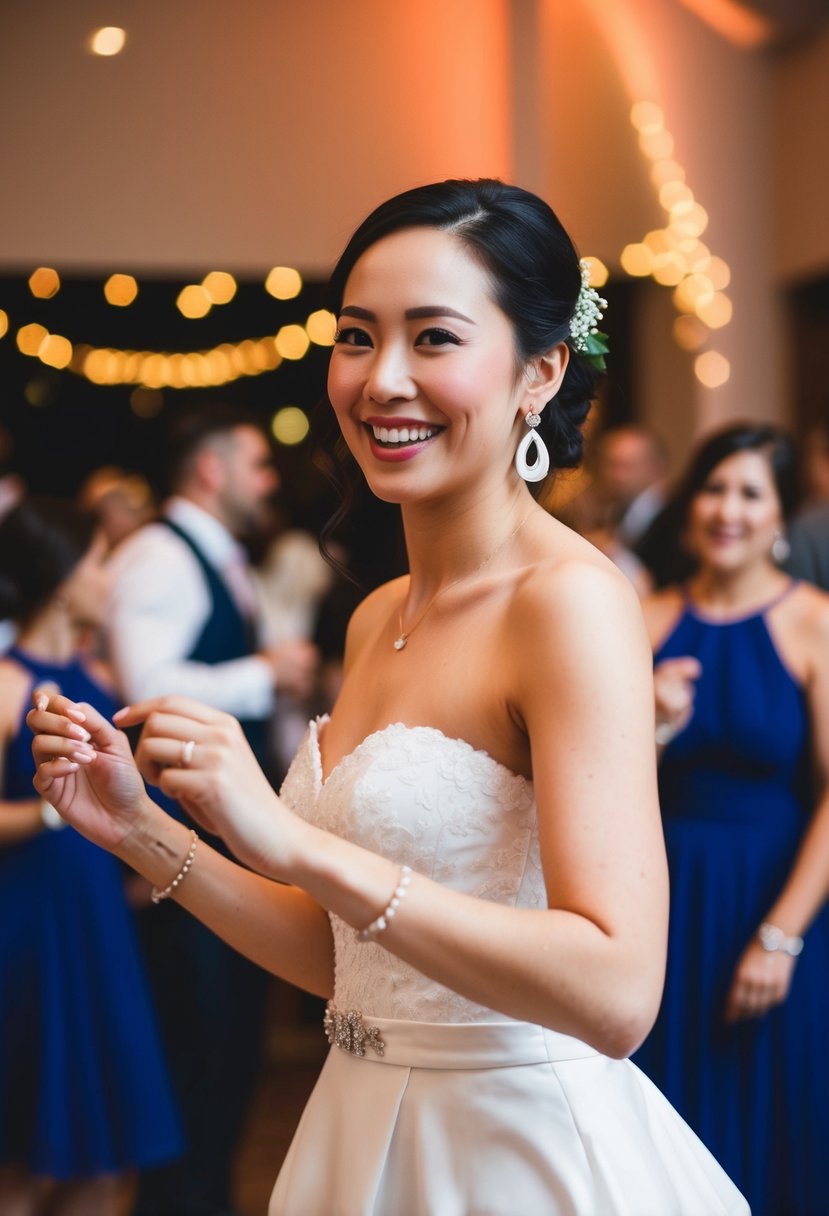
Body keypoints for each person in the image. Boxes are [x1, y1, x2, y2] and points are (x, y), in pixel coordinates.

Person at [28, 179, 748, 1215]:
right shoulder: (377, 615)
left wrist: (295, 845)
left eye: (435, 338)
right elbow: (347, 961)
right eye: (357, 337)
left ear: (538, 371)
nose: (382, 381)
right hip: (361, 1131)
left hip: (511, 1152)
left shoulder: (572, 604)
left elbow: (617, 991)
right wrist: (139, 828)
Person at [106, 403, 318, 1216]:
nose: (269, 481)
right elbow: (143, 686)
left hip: (223, 835)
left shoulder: (217, 555)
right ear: (211, 469)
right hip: (178, 843)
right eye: (258, 464)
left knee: (226, 1065)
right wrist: (264, 675)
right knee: (197, 1065)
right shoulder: (161, 555)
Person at [632, 423, 829, 1216]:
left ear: (780, 516)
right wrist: (649, 725)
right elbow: (593, 787)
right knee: (665, 1132)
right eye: (714, 487)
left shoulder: (812, 621)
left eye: (751, 493)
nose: (727, 509)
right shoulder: (640, 619)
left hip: (777, 905)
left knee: (782, 1126)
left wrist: (780, 937)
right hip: (661, 909)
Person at [0, 497, 182, 1216]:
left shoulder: (100, 680)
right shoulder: (8, 684)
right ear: (61, 575)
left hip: (99, 922)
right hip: (27, 925)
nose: (110, 577)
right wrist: (55, 810)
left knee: (107, 1161)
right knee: (20, 1161)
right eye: (101, 561)